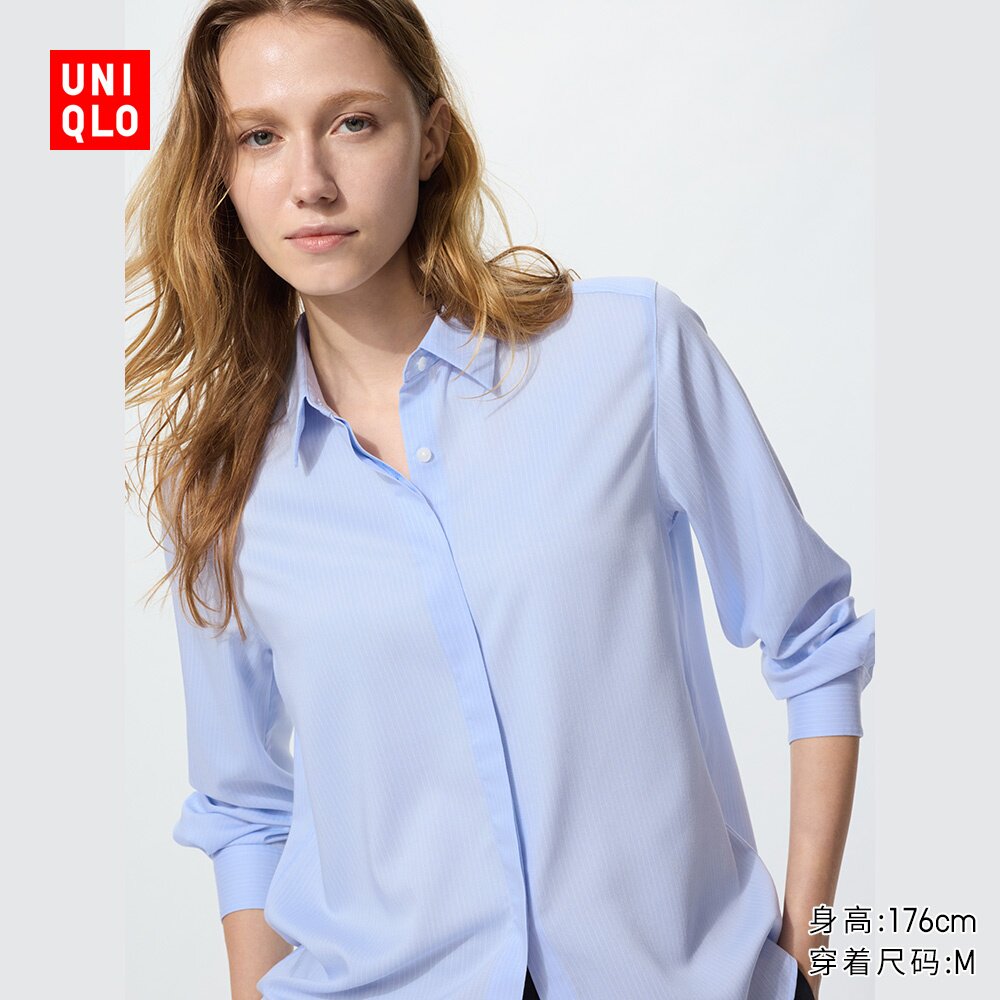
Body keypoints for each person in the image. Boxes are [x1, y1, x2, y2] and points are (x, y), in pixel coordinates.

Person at [124, 2, 874, 999]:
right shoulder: (221, 487)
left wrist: (805, 956)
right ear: (221, 173)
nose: (310, 182)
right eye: (259, 136)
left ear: (431, 137)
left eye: (353, 122)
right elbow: (245, 808)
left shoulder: (627, 354)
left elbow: (814, 639)